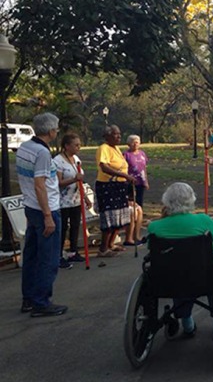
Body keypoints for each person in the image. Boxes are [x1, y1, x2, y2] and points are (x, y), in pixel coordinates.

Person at [147, 182, 213, 337]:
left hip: (167, 280)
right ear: (191, 200)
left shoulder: (154, 227)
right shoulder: (203, 220)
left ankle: (186, 322)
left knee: (177, 268)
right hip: (203, 276)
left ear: (166, 202)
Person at [16, 112, 68, 317]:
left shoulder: (25, 147)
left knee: (32, 254)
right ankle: (41, 302)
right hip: (46, 208)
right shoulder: (43, 153)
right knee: (48, 257)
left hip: (31, 207)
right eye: (55, 128)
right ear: (50, 131)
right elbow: (40, 185)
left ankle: (28, 297)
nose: (56, 131)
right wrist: (48, 215)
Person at [95, 125, 136, 257]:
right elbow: (104, 167)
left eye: (119, 134)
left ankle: (111, 244)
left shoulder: (117, 149)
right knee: (109, 217)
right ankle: (103, 249)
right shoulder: (104, 148)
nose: (118, 137)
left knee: (119, 217)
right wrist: (123, 175)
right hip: (108, 186)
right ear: (107, 136)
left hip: (120, 186)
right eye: (115, 134)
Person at [53, 133, 92, 267]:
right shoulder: (58, 161)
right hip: (63, 201)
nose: (78, 147)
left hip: (75, 199)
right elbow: (58, 182)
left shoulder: (75, 159)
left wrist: (85, 197)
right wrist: (74, 179)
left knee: (75, 226)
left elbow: (80, 181)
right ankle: (58, 255)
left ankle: (73, 252)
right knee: (63, 228)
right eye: (76, 145)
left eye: (79, 145)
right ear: (66, 146)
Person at [123, 134, 149, 207]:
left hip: (141, 180)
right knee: (130, 200)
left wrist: (146, 181)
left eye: (137, 142)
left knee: (139, 199)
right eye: (133, 142)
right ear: (128, 144)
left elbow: (144, 168)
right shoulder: (126, 154)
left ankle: (139, 214)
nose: (135, 144)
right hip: (130, 181)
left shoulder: (142, 154)